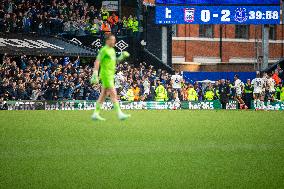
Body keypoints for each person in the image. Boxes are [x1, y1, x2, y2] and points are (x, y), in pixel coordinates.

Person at [90, 34, 131, 121]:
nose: (114, 42)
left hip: (110, 75)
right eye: (112, 40)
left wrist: (121, 57)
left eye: (114, 40)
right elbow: (97, 61)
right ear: (107, 41)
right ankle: (120, 114)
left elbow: (115, 61)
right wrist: (95, 73)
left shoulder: (112, 50)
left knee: (103, 95)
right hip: (106, 75)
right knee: (113, 93)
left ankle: (95, 114)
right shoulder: (104, 50)